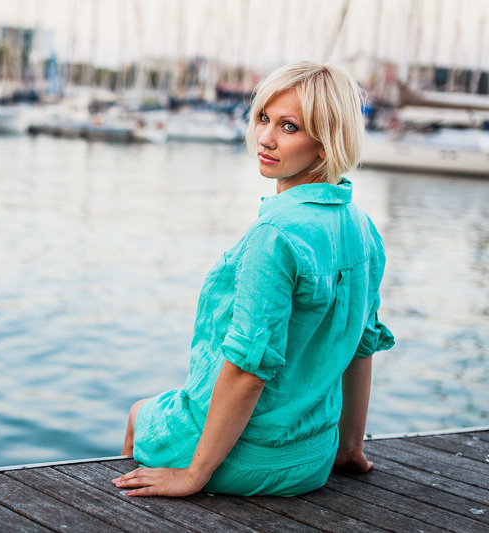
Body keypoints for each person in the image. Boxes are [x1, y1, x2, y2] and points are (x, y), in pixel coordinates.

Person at [113, 61, 395, 498]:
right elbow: (362, 345)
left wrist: (193, 475)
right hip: (313, 457)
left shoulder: (275, 235)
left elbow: (248, 371)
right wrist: (349, 448)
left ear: (326, 144)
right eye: (264, 118)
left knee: (138, 414)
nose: (264, 137)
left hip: (244, 459)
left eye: (288, 126)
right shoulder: (363, 229)